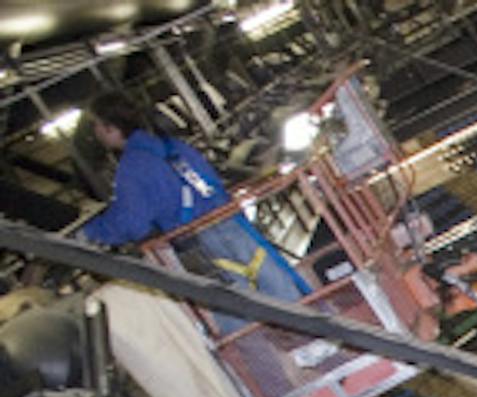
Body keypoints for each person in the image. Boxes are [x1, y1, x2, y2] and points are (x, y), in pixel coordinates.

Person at [77, 93, 310, 314]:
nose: (95, 132)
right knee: (276, 284)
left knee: (233, 314)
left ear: (112, 127)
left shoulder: (131, 168)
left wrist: (89, 232)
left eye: (97, 125)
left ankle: (283, 350)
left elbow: (131, 222)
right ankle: (316, 332)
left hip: (199, 243)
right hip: (230, 221)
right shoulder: (173, 146)